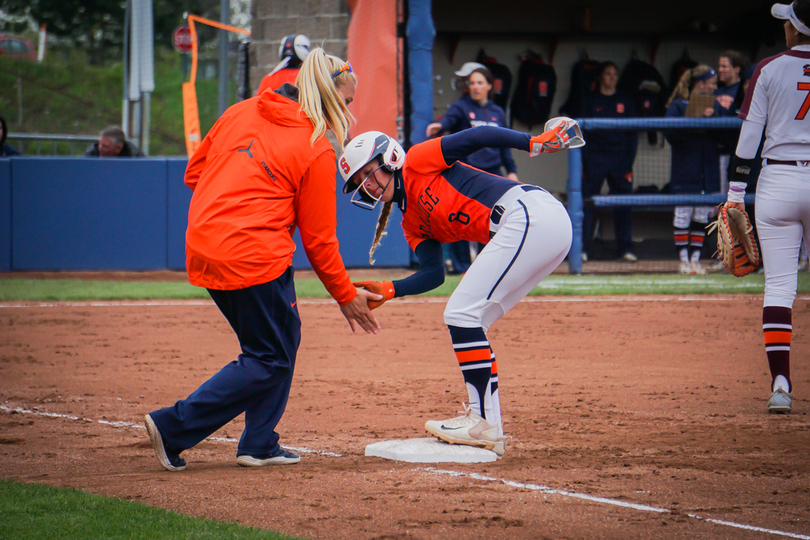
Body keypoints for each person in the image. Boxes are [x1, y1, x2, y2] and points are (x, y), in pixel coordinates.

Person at [144, 48, 381, 472]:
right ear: (326, 96)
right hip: (254, 254)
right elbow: (320, 241)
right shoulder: (316, 150)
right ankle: (174, 426)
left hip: (205, 244)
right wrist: (346, 295)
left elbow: (193, 174)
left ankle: (259, 442)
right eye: (345, 101)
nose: (349, 111)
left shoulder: (240, 111)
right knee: (269, 357)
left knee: (281, 338)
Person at [337, 120, 581, 456]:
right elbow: (434, 274)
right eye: (359, 183)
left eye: (368, 174)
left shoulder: (418, 161)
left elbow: (479, 136)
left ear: (389, 157)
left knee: (461, 313)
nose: (368, 187)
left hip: (531, 214)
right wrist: (390, 289)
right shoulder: (410, 224)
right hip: (534, 226)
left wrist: (534, 142)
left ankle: (481, 421)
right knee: (469, 318)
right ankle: (487, 423)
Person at [725, 0, 810, 414]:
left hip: (778, 179)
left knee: (779, 286)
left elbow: (749, 138)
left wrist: (735, 193)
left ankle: (781, 384)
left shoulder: (770, 67)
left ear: (795, 28)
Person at [426, 64, 518, 274]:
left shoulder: (497, 111)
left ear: (489, 86)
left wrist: (511, 170)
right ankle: (461, 267)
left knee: (494, 221)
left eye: (480, 83)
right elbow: (448, 121)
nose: (475, 87)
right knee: (460, 220)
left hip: (493, 173)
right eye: (472, 83)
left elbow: (504, 145)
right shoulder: (460, 106)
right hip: (467, 174)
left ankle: (487, 267)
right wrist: (439, 127)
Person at [664, 65, 722, 275]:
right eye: (712, 83)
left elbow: (723, 138)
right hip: (685, 169)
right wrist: (693, 121)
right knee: (682, 214)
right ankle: (683, 261)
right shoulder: (677, 106)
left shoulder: (715, 106)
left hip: (707, 170)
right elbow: (670, 135)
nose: (715, 88)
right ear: (701, 84)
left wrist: (712, 120)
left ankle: (696, 260)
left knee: (701, 215)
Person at [580, 61, 638, 262]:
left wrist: (628, 160)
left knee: (623, 204)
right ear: (600, 77)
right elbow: (581, 134)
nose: (612, 78)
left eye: (615, 74)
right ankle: (582, 250)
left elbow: (633, 134)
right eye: (608, 74)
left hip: (620, 159)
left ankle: (625, 249)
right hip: (595, 159)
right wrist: (586, 160)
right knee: (587, 203)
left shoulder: (626, 101)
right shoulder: (590, 101)